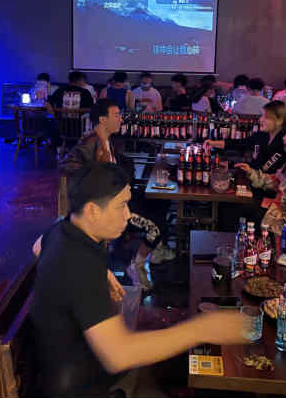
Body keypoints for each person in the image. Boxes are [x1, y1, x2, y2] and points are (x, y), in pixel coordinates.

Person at [28, 162, 248, 397]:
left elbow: (37, 247)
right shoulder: (81, 266)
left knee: (174, 349)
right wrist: (203, 329)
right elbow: (118, 355)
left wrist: (103, 272)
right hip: (80, 385)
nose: (127, 215)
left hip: (63, 365)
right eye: (121, 205)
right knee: (186, 360)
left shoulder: (63, 229)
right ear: (92, 211)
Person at [59, 99, 174, 290]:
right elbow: (65, 164)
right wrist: (97, 180)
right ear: (103, 119)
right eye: (116, 115)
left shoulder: (106, 140)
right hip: (108, 208)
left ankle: (155, 250)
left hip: (120, 201)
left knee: (160, 203)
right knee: (156, 225)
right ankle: (136, 265)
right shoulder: (90, 141)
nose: (121, 119)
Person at [208, 101, 286, 230]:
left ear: (279, 120)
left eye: (266, 117)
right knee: (224, 203)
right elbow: (239, 143)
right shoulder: (261, 136)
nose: (260, 120)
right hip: (253, 185)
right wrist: (213, 143)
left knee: (229, 209)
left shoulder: (285, 144)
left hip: (268, 196)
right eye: (261, 116)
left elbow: (279, 182)